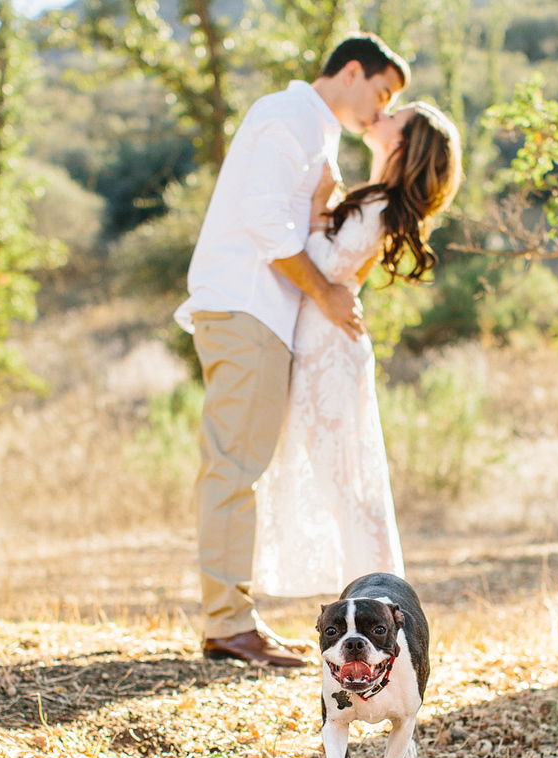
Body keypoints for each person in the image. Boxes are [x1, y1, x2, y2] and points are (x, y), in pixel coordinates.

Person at [174, 34, 410, 668]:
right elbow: (264, 223)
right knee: (233, 466)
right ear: (352, 71)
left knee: (238, 464)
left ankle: (231, 618)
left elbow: (294, 221)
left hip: (263, 315)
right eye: (382, 92)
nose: (379, 109)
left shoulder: (315, 128)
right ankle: (227, 623)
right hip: (247, 307)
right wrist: (327, 293)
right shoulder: (288, 116)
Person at [252, 102, 463, 598]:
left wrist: (315, 205)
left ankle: (378, 598)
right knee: (335, 475)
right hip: (323, 340)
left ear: (401, 142)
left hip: (330, 348)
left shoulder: (379, 205)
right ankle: (368, 596)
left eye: (395, 114)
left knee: (344, 478)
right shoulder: (373, 199)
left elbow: (322, 268)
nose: (381, 114)